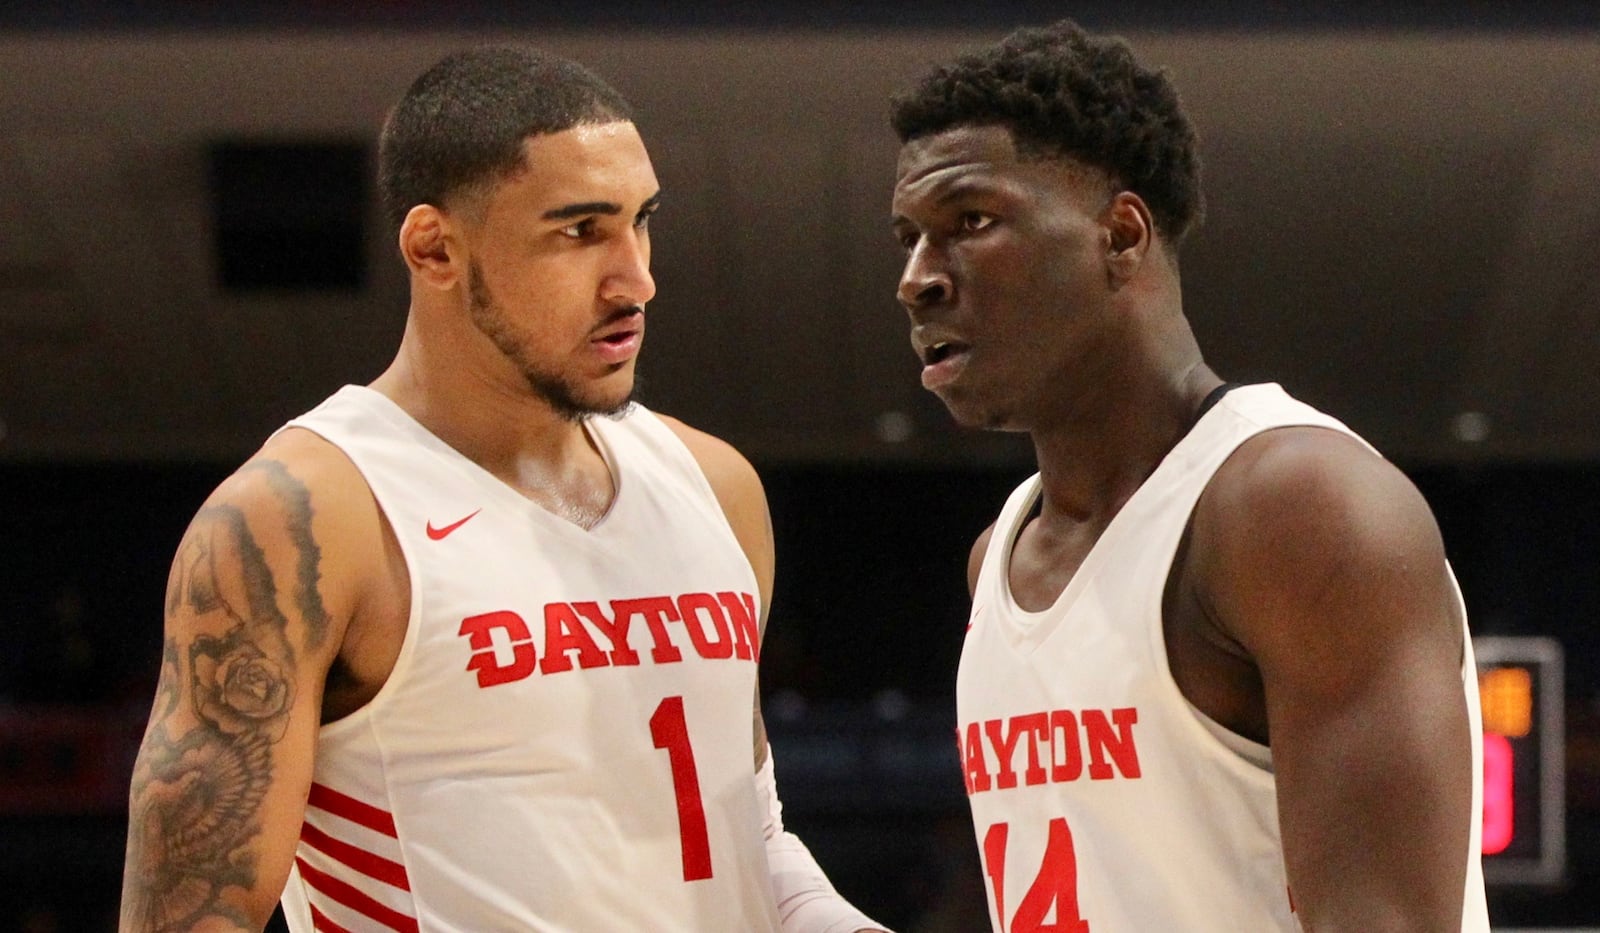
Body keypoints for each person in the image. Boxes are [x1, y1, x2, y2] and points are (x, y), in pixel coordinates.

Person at [119, 45, 887, 933]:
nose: (635, 277)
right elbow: (184, 917)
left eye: (642, 220)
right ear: (435, 248)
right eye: (579, 230)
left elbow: (747, 835)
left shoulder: (715, 485)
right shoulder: (306, 517)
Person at [888, 20, 1490, 932]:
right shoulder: (999, 556)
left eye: (970, 222)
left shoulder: (1298, 507)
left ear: (1120, 236)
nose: (917, 278)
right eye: (909, 238)